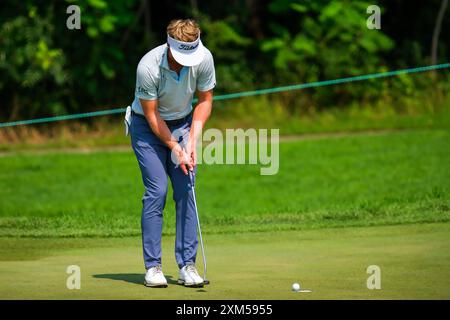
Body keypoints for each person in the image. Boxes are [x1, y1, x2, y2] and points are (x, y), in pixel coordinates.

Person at [128, 19, 215, 288]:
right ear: (169, 46)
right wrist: (176, 146)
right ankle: (153, 268)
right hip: (146, 126)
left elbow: (205, 101)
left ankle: (187, 265)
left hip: (183, 122)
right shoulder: (148, 66)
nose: (188, 62)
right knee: (158, 190)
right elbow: (153, 117)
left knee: (186, 188)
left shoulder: (204, 58)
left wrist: (191, 140)